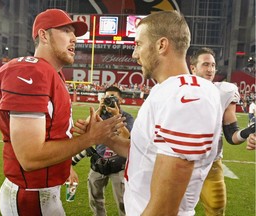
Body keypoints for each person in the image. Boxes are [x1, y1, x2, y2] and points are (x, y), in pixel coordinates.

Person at [75, 10, 223, 216]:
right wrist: (103, 136)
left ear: (161, 45)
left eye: (138, 44)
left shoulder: (187, 97)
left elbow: (164, 209)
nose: (135, 54)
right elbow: (143, 154)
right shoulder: (165, 90)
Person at [0, 9, 125, 216]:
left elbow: (51, 136)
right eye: (65, 31)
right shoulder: (31, 71)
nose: (74, 38)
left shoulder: (53, 74)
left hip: (43, 192)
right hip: (31, 196)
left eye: (74, 33)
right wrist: (90, 138)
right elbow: (29, 157)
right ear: (44, 35)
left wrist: (69, 162)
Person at [190, 47, 256, 215]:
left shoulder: (224, 91)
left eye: (213, 65)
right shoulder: (176, 89)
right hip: (179, 161)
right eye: (205, 64)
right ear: (193, 68)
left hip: (211, 163)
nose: (210, 69)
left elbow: (231, 136)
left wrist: (250, 131)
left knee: (217, 209)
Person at [87, 86, 134, 216]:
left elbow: (126, 137)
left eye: (113, 97)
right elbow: (86, 130)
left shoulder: (127, 117)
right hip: (99, 162)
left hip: (119, 164)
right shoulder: (99, 115)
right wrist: (99, 109)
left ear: (121, 100)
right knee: (95, 200)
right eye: (107, 97)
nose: (109, 99)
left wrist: (117, 116)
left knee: (123, 202)